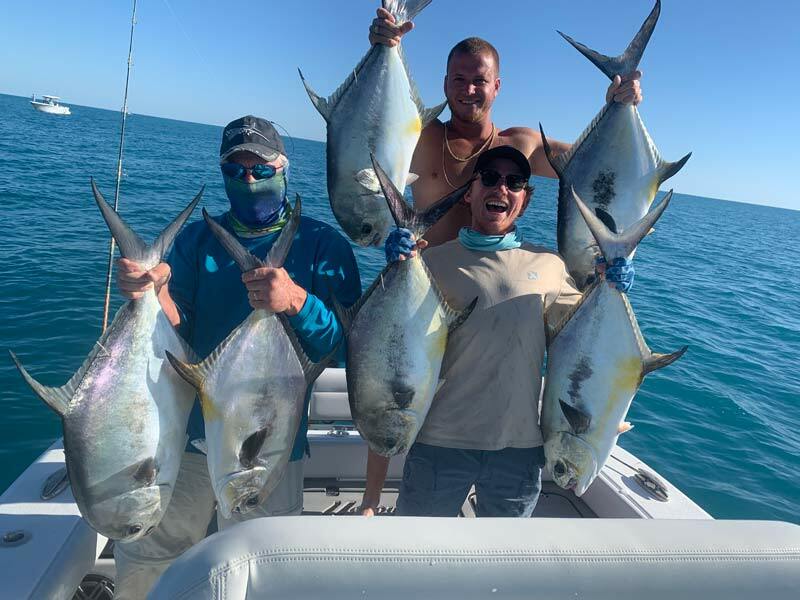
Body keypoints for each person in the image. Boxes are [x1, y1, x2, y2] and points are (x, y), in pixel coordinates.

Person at [112, 115, 361, 598]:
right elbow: (176, 325)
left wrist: (297, 302)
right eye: (236, 170)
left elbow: (345, 349)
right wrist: (150, 292)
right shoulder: (195, 240)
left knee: (263, 567)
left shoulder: (324, 245)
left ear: (285, 167)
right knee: (149, 556)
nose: (248, 180)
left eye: (260, 168)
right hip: (188, 437)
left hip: (268, 439)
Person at [360, 145, 633, 517]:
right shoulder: (431, 263)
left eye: (515, 182)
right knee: (421, 553)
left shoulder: (550, 265)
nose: (500, 188)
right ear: (469, 192)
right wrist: (393, 271)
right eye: (489, 178)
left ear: (526, 198)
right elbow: (388, 346)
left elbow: (583, 344)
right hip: (439, 439)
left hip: (520, 448)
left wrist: (610, 285)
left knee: (503, 560)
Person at [368, 7, 643, 246]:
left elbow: (604, 168)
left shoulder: (522, 145)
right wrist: (383, 46)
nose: (469, 89)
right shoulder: (420, 136)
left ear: (497, 87)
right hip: (424, 286)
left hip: (493, 289)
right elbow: (369, 119)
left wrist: (620, 104)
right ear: (445, 84)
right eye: (459, 79)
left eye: (480, 80)